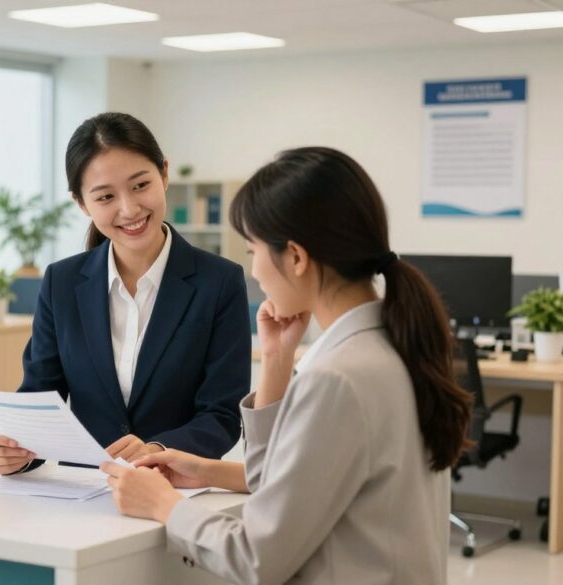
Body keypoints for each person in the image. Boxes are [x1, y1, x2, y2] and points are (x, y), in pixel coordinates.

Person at [101, 146, 472, 584]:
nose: (254, 270)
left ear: (295, 257)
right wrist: (275, 364)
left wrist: (163, 505)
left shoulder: (339, 379)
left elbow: (257, 558)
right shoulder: (393, 347)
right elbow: (287, 485)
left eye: (252, 249)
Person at [0, 112, 251, 474]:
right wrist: (14, 451)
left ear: (164, 174)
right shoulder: (61, 282)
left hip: (173, 489)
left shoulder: (219, 281)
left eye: (141, 185)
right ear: (81, 204)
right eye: (106, 196)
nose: (129, 209)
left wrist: (158, 449)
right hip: (78, 493)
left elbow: (222, 414)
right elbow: (40, 396)